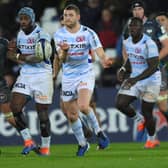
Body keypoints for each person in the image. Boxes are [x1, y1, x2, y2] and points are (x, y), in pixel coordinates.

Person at [53, 4, 113, 156]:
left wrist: (104, 59)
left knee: (84, 105)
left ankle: (99, 132)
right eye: (65, 15)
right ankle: (82, 144)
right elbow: (61, 59)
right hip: (68, 77)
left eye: (70, 15)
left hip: (85, 73)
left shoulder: (88, 33)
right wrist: (65, 52)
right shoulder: (59, 35)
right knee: (71, 115)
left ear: (78, 17)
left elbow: (98, 49)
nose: (67, 18)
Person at [7, 7, 53, 156]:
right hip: (26, 75)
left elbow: (39, 57)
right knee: (15, 106)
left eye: (26, 18)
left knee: (43, 114)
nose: (23, 21)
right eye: (21, 19)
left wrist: (18, 57)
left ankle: (45, 148)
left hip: (42, 75)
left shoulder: (42, 35)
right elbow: (16, 55)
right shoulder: (20, 34)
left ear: (32, 19)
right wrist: (13, 52)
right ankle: (29, 142)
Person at [122, 0, 168, 143]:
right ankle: (153, 139)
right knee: (146, 106)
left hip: (155, 71)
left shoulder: (154, 25)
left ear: (144, 11)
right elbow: (125, 50)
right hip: (138, 73)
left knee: (162, 105)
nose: (137, 12)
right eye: (135, 10)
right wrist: (127, 67)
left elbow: (166, 46)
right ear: (132, 12)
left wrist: (153, 61)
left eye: (140, 9)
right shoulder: (128, 28)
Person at [116, 17, 161, 149]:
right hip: (135, 78)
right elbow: (131, 58)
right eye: (131, 26)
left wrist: (135, 79)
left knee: (147, 111)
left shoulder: (149, 43)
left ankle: (152, 139)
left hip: (151, 80)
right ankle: (139, 120)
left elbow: (153, 66)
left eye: (136, 26)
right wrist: (124, 69)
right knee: (120, 104)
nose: (133, 28)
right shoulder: (128, 42)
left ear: (142, 28)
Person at [0, 37, 16, 127]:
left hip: (0, 84)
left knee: (8, 113)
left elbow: (13, 56)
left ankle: (28, 138)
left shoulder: (4, 42)